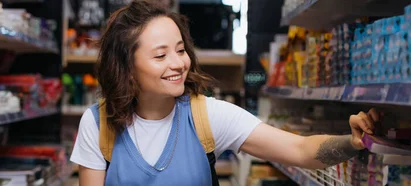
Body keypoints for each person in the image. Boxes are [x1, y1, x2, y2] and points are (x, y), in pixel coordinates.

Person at [70, 1, 380, 185]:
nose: (178, 63)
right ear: (127, 66)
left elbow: (299, 150)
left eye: (180, 50)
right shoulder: (98, 126)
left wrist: (350, 142)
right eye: (160, 55)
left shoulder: (207, 116)